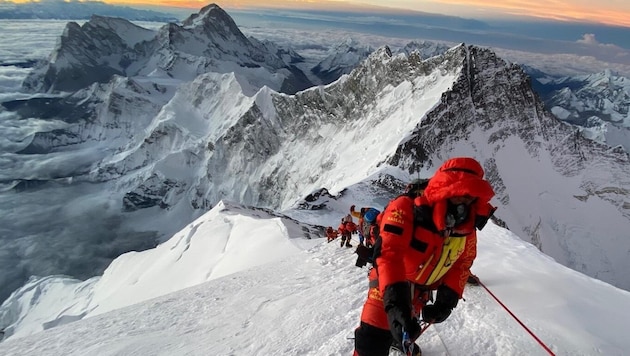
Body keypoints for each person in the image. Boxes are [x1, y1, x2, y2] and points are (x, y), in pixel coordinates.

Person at [353, 157, 496, 356]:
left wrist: (448, 299)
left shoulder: (466, 228)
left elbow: (462, 263)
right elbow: (389, 254)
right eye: (458, 195)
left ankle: (397, 340)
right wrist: (395, 301)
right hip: (389, 282)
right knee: (371, 342)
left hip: (419, 292)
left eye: (470, 197)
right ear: (444, 189)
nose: (463, 203)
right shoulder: (405, 208)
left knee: (404, 324)